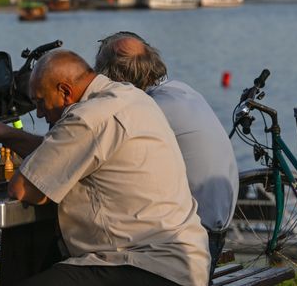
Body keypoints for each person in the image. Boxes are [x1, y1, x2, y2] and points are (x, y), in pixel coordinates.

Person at [0, 50, 210, 286]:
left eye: (40, 101)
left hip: (142, 265)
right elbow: (69, 153)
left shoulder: (88, 117)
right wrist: (11, 136)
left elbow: (24, 189)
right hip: (183, 262)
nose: (39, 112)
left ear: (65, 92)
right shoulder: (129, 97)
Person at [95, 32, 239, 276]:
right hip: (216, 227)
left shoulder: (147, 109)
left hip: (192, 242)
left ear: (112, 78)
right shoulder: (180, 90)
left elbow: (99, 156)